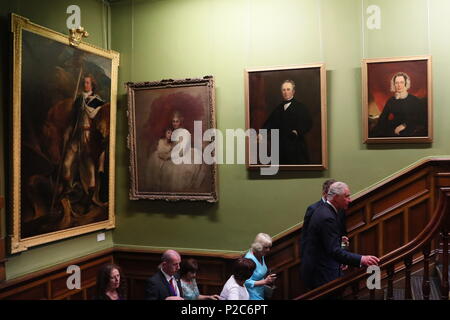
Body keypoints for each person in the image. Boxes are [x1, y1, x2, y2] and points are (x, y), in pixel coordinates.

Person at [301, 182, 380, 291]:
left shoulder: (328, 210)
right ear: (336, 197)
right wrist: (361, 259)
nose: (350, 200)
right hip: (322, 272)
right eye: (347, 196)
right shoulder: (326, 217)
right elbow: (333, 250)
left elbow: (339, 237)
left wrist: (342, 246)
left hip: (328, 266)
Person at [62, 74, 106, 213]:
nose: (85, 85)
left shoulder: (97, 101)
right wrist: (68, 131)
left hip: (88, 136)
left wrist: (85, 103)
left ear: (92, 85)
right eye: (84, 82)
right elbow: (73, 118)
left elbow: (93, 115)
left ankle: (89, 198)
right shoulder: (79, 99)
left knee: (89, 168)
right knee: (66, 164)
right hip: (76, 134)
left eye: (87, 83)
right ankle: (69, 189)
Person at [262, 80, 312, 165]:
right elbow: (270, 122)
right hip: (280, 147)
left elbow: (308, 123)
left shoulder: (301, 107)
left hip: (295, 146)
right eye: (283, 90)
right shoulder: (278, 108)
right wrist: (262, 133)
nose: (286, 92)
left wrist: (297, 131)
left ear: (293, 91)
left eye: (288, 89)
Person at [370, 72, 427, 137]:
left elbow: (420, 118)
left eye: (401, 82)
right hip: (392, 127)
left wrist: (404, 125)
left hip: (409, 127)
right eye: (396, 83)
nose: (399, 85)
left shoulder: (414, 100)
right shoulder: (391, 100)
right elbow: (383, 117)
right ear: (394, 84)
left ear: (406, 84)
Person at [244, 233, 277, 300]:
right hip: (252, 294)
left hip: (260, 291)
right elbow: (245, 282)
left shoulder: (261, 254)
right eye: (266, 247)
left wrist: (267, 280)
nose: (268, 250)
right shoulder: (249, 259)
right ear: (258, 246)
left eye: (269, 247)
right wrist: (265, 281)